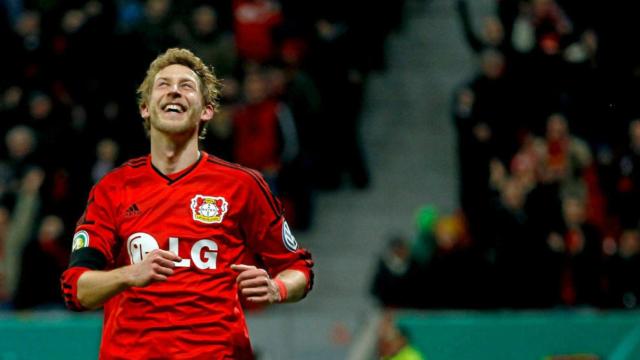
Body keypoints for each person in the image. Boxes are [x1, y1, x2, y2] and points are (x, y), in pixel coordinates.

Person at [60, 48, 314, 359]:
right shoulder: (112, 189)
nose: (175, 91)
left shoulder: (242, 186)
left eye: (187, 85)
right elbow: (77, 289)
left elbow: (298, 267)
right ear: (145, 108)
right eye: (164, 84)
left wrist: (278, 288)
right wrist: (128, 274)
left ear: (206, 110)